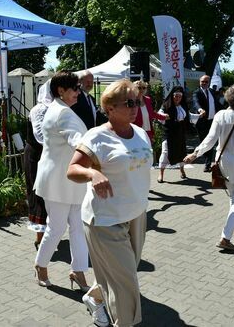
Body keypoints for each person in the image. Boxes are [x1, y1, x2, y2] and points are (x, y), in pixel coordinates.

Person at [67, 79, 152, 327]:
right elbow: (72, 169)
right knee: (127, 285)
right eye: (129, 103)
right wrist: (92, 174)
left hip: (136, 214)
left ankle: (94, 298)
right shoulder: (97, 136)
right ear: (110, 107)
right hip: (105, 219)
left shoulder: (139, 133)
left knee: (121, 273)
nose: (135, 107)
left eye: (136, 101)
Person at [184, 86, 234, 251]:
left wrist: (195, 154)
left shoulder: (221, 115)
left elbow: (210, 140)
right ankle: (225, 237)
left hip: (225, 164)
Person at [33, 71, 90, 291]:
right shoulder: (62, 113)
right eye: (74, 88)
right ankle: (40, 265)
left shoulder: (60, 109)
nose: (78, 91)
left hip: (71, 181)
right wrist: (98, 154)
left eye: (78, 88)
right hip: (58, 182)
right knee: (56, 228)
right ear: (60, 91)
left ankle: (78, 271)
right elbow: (77, 140)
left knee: (77, 228)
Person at [24, 81, 53, 250]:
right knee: (38, 194)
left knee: (49, 194)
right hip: (36, 155)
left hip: (49, 156)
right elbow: (40, 136)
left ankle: (50, 232)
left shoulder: (57, 108)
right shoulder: (39, 109)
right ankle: (40, 237)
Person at [157, 86, 190, 182]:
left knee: (181, 152)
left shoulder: (183, 106)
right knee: (165, 152)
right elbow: (160, 113)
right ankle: (161, 174)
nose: (177, 98)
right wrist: (163, 116)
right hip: (169, 133)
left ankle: (182, 170)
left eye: (179, 97)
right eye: (176, 96)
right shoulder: (166, 105)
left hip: (180, 133)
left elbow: (188, 115)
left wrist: (198, 115)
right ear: (172, 96)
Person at [193, 75, 221, 172]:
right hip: (202, 122)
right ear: (200, 82)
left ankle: (207, 163)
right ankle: (205, 158)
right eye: (202, 81)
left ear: (209, 83)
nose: (204, 83)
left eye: (206, 82)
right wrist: (200, 109)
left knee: (211, 141)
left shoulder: (212, 92)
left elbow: (217, 104)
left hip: (212, 121)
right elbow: (196, 102)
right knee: (203, 141)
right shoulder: (197, 92)